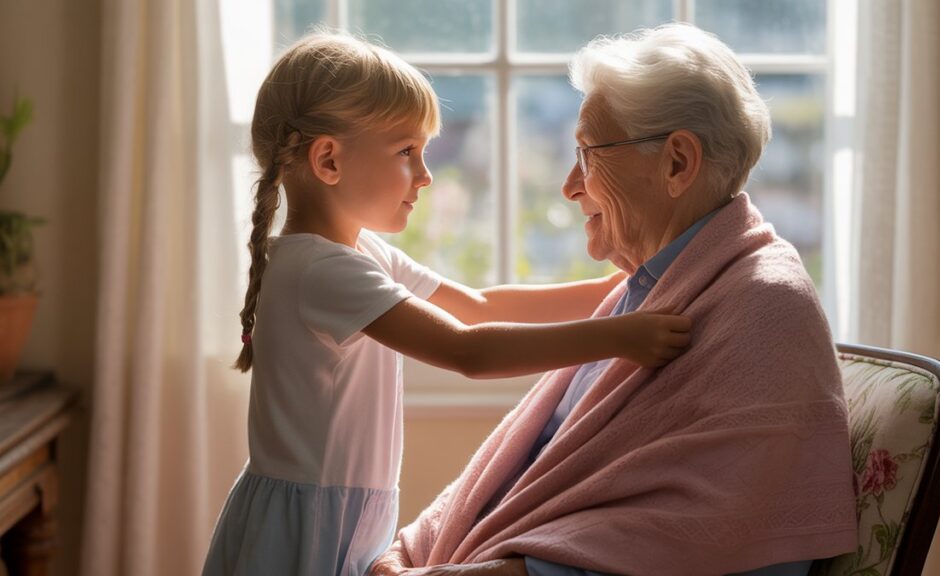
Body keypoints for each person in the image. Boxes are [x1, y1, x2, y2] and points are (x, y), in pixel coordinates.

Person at [371, 23, 859, 576]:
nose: (569, 185)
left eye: (587, 154)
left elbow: (701, 538)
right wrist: (406, 552)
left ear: (677, 163)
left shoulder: (765, 306)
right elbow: (525, 470)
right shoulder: (646, 291)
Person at [200, 33, 693, 576]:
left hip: (336, 515)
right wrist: (619, 336)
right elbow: (467, 350)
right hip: (304, 532)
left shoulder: (360, 252)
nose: (426, 174)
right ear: (329, 159)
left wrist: (625, 286)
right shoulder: (321, 271)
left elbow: (478, 306)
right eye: (406, 152)